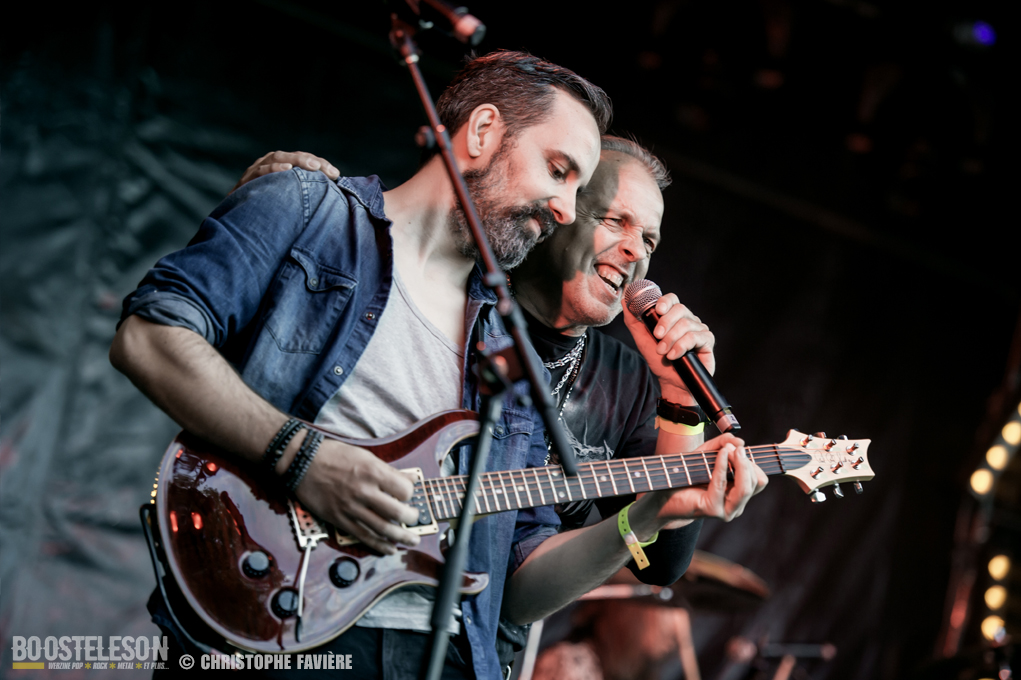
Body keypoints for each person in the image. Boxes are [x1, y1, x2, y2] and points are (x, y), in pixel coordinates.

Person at [234, 137, 769, 674]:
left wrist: (681, 400)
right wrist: (297, 205)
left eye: (649, 239)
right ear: (558, 211)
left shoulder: (628, 379)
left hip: (475, 644)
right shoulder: (452, 299)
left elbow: (660, 564)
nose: (636, 251)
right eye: (615, 221)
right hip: (317, 590)